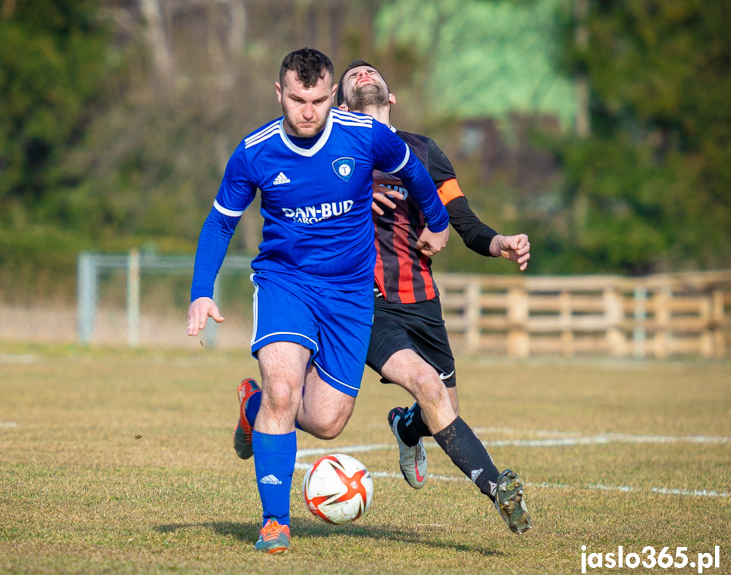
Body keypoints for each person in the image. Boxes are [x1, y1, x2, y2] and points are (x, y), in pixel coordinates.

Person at [187, 48, 450, 554]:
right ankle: (274, 522)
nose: (307, 112)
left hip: (350, 294)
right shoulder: (255, 151)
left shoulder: (364, 136)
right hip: (285, 282)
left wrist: (437, 222)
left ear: (333, 96)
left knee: (327, 422)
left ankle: (253, 407)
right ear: (279, 94)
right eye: (296, 99)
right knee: (284, 391)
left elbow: (415, 172)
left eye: (317, 100)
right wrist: (202, 291)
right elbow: (221, 221)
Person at [336, 60, 533, 535]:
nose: (364, 73)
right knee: (428, 387)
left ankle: (407, 428)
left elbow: (462, 222)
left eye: (371, 71)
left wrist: (499, 242)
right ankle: (497, 486)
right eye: (353, 74)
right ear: (341, 105)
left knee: (445, 410)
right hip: (367, 303)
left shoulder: (425, 151)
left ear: (391, 96)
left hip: (423, 303)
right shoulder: (331, 153)